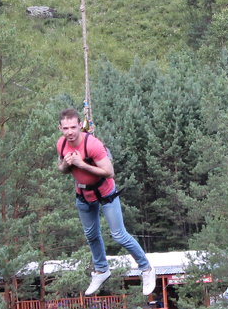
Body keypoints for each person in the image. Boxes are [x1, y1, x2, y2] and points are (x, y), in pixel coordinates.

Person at [57, 108, 155, 297]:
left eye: (73, 127)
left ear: (80, 126)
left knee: (118, 235)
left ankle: (147, 269)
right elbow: (61, 168)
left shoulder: (92, 145)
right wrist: (67, 164)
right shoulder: (61, 144)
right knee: (91, 235)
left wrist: (82, 164)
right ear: (60, 128)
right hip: (84, 195)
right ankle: (102, 270)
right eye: (65, 128)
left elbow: (109, 172)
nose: (69, 132)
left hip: (105, 193)